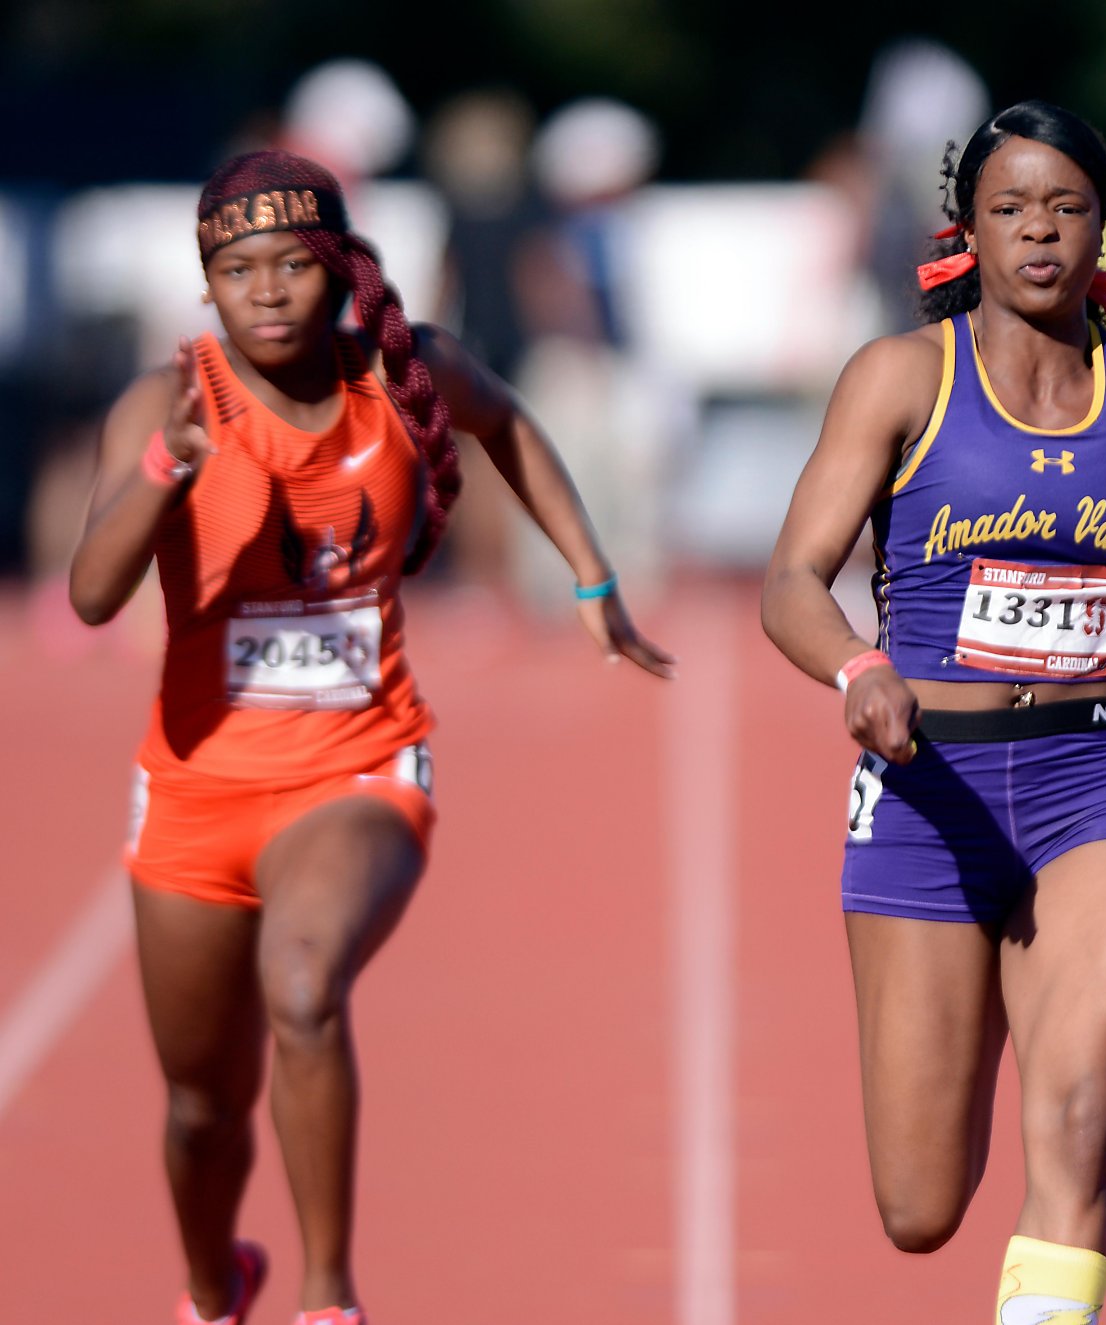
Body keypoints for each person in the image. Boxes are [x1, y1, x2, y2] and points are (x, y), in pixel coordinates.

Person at [68, 150, 671, 1325]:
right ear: (207, 286)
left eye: (294, 264)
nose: (269, 291)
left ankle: (331, 1298)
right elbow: (92, 594)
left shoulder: (407, 375)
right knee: (201, 1104)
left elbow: (515, 428)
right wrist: (161, 472)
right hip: (194, 793)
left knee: (303, 985)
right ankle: (213, 1284)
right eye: (238, 270)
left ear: (340, 270)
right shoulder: (166, 402)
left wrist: (593, 578)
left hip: (359, 768)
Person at [760, 100, 1106, 1321]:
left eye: (1065, 207)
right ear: (968, 230)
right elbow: (791, 578)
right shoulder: (899, 377)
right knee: (919, 1205)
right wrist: (856, 669)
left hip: (1086, 784)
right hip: (924, 797)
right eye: (1009, 209)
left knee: (1079, 1105)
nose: (1039, 233)